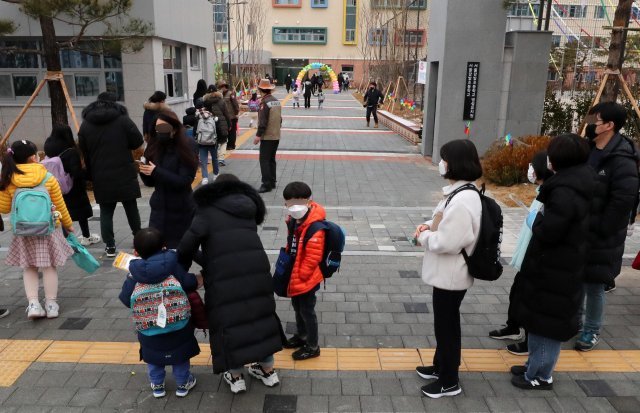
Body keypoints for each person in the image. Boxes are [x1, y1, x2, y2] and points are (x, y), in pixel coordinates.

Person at [178, 174, 283, 394]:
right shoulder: (248, 208)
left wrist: (182, 270)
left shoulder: (206, 210)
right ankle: (267, 370)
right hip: (256, 269)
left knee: (230, 322)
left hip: (224, 276)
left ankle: (236, 376)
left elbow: (187, 244)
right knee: (260, 317)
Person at [512, 134, 595, 390]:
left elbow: (550, 231)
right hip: (556, 266)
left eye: (551, 154)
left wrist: (535, 221)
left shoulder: (565, 191)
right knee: (540, 320)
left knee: (548, 325)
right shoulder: (574, 182)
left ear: (558, 159)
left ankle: (541, 375)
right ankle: (533, 365)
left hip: (557, 268)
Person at [413, 139, 483, 398]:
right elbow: (442, 219)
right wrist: (427, 224)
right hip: (449, 273)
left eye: (445, 159)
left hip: (451, 275)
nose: (441, 163)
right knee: (445, 323)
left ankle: (449, 381)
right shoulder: (460, 192)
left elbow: (448, 242)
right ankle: (439, 366)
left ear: (456, 163)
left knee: (447, 327)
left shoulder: (463, 200)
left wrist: (423, 237)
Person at [576, 102, 640, 351]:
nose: (592, 123)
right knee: (577, 280)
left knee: (594, 284)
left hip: (602, 236)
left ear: (610, 126)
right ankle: (575, 323)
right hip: (580, 230)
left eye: (597, 120)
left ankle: (591, 330)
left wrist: (600, 230)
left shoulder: (622, 158)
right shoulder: (588, 149)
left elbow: (622, 203)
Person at [119, 228, 200, 399]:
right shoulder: (172, 266)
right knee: (180, 354)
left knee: (154, 356)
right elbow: (190, 283)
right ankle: (183, 384)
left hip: (148, 326)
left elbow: (126, 300)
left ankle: (157, 385)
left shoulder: (134, 273)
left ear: (136, 252)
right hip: (179, 324)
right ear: (164, 247)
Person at [0, 139, 74, 320]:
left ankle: (33, 304)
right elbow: (60, 204)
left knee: (29, 267)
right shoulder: (47, 177)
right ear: (34, 157)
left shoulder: (10, 178)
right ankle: (51, 304)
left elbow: (3, 208)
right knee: (49, 267)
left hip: (23, 231)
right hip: (47, 229)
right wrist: (68, 224)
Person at [488, 151, 553, 356]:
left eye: (532, 166)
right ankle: (513, 326)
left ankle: (528, 339)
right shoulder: (542, 190)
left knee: (529, 297)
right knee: (518, 291)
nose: (529, 170)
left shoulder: (552, 193)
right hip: (528, 252)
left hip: (538, 258)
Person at [78, 92, 144, 258]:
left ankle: (110, 246)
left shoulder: (86, 124)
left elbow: (84, 151)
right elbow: (137, 141)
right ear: (115, 103)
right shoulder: (122, 119)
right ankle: (139, 239)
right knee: (131, 207)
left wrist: (91, 172)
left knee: (106, 211)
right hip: (123, 170)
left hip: (100, 173)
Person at [139, 111, 198, 249]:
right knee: (155, 249)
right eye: (157, 128)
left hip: (181, 209)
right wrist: (144, 171)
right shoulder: (155, 145)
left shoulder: (188, 145)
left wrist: (156, 171)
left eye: (164, 127)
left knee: (181, 251)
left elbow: (184, 181)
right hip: (159, 209)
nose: (160, 131)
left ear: (174, 128)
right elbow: (150, 183)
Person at [281, 182, 325, 361]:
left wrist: (301, 277)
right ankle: (302, 336)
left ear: (309, 201)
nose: (294, 206)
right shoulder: (294, 220)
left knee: (307, 311)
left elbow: (313, 257)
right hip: (295, 275)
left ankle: (313, 346)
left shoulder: (315, 226)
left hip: (306, 278)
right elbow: (293, 244)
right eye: (290, 203)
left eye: (299, 201)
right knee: (298, 307)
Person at [44, 124, 100, 246]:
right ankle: (86, 237)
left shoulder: (49, 148)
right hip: (74, 187)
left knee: (63, 212)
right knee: (81, 213)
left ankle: (68, 239)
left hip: (56, 185)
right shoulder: (70, 151)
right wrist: (89, 174)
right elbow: (76, 172)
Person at [254, 78, 282, 193]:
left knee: (264, 160)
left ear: (261, 90)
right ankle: (272, 181)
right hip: (276, 135)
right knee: (271, 159)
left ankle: (266, 184)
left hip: (267, 136)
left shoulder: (264, 102)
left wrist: (258, 135)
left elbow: (263, 121)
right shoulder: (276, 101)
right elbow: (280, 119)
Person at [200, 87, 230, 184]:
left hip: (205, 131)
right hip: (218, 128)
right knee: (214, 154)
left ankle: (205, 177)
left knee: (204, 155)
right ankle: (216, 174)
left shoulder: (204, 102)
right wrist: (229, 125)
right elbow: (226, 115)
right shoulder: (221, 101)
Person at [217, 80, 240, 154]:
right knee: (226, 131)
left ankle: (231, 145)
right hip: (224, 117)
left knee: (232, 131)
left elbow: (235, 105)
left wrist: (236, 113)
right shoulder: (220, 95)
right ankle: (227, 145)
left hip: (232, 116)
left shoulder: (230, 94)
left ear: (224, 87)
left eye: (220, 87)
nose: (220, 89)